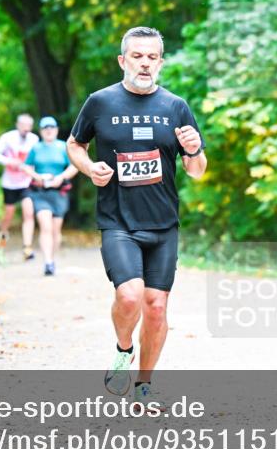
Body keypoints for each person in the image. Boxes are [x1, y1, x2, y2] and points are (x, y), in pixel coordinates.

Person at [67, 26, 207, 408]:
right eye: (137, 56)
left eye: (152, 57)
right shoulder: (100, 102)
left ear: (160, 63)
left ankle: (144, 384)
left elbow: (196, 170)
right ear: (122, 60)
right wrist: (88, 167)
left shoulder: (175, 107)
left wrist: (195, 149)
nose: (145, 63)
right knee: (129, 297)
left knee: (156, 306)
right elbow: (75, 143)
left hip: (163, 223)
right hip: (118, 222)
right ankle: (122, 350)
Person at [22, 116, 78, 276]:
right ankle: (47, 262)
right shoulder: (36, 148)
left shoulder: (63, 147)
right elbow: (26, 166)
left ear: (56, 130)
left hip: (59, 192)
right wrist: (37, 176)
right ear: (41, 131)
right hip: (40, 192)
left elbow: (75, 166)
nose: (49, 130)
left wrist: (61, 177)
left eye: (51, 127)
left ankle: (52, 259)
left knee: (55, 230)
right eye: (45, 128)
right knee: (45, 226)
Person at [0, 114, 39, 258]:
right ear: (17, 125)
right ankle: (2, 242)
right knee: (8, 215)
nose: (26, 128)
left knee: (28, 213)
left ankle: (27, 248)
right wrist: (9, 161)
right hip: (9, 183)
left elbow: (37, 158)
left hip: (26, 182)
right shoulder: (8, 138)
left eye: (29, 126)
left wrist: (35, 173)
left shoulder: (34, 139)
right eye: (23, 125)